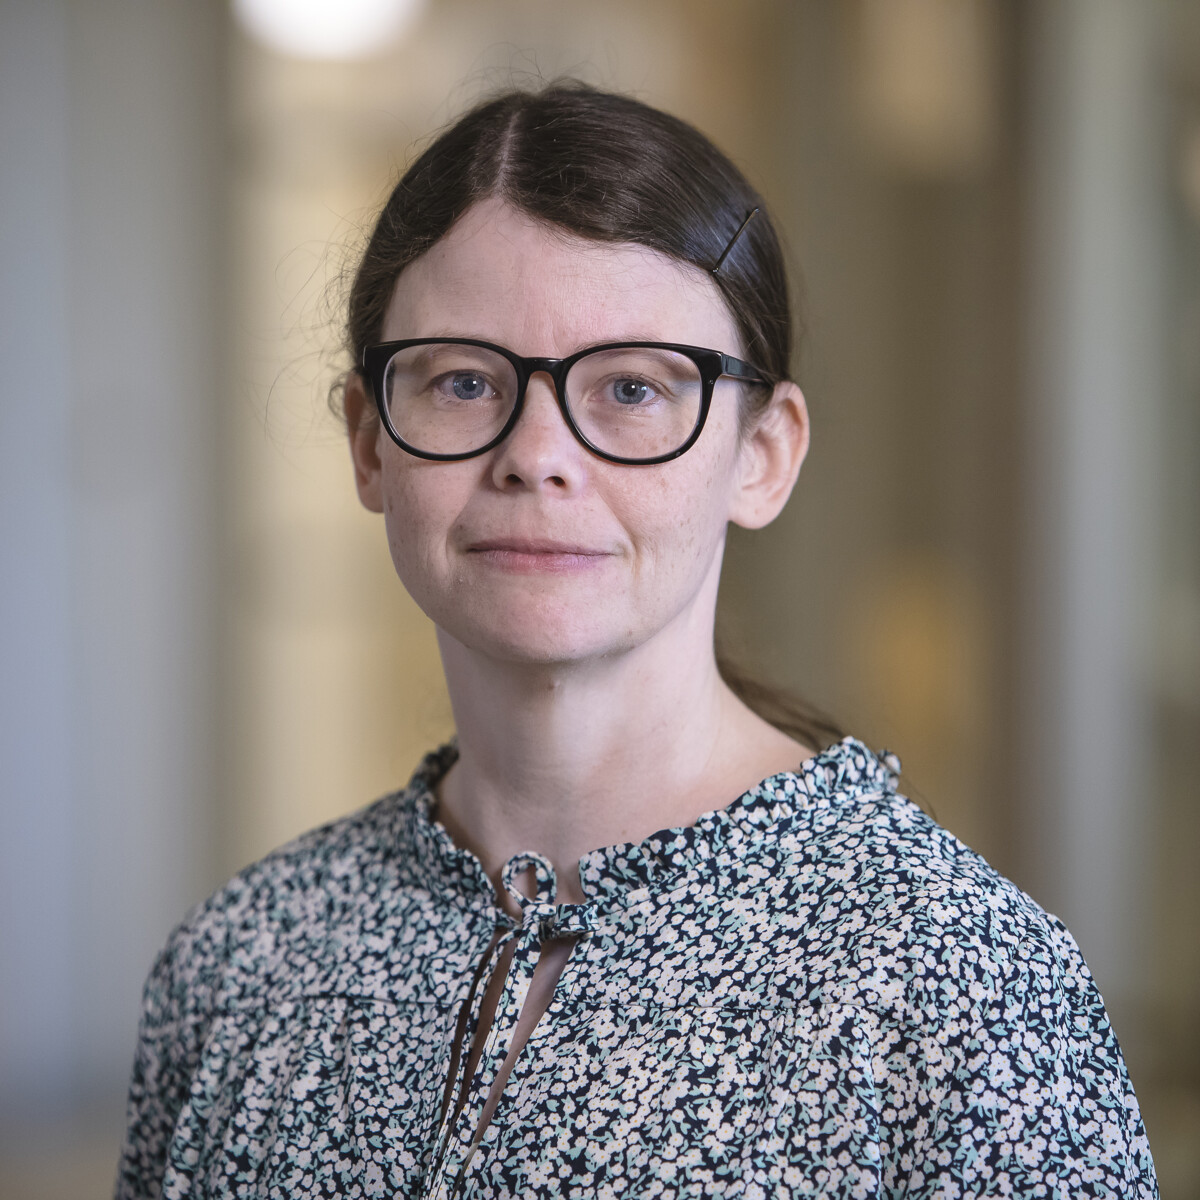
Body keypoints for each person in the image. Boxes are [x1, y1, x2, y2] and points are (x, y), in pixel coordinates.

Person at [115, 83, 1158, 1199]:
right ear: (371, 443)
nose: (537, 455)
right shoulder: (238, 961)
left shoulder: (961, 984)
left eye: (631, 387)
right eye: (463, 382)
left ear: (763, 455)